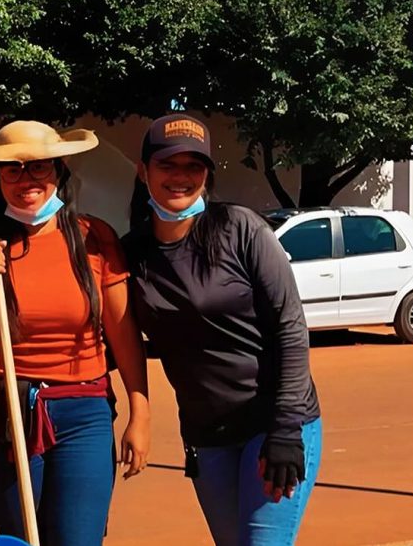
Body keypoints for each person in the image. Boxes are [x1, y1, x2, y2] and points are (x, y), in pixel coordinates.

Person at [120, 114, 322, 545]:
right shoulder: (132, 253)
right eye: (167, 165)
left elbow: (290, 328)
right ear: (143, 171)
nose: (180, 177)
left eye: (193, 166)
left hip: (273, 424)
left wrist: (286, 430)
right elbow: (114, 335)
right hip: (207, 437)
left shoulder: (241, 229)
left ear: (207, 174)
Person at [0, 121, 151, 546]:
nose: (27, 180)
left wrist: (140, 413)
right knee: (23, 538)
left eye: (39, 166)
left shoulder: (96, 239)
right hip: (2, 412)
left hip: (85, 411)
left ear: (59, 171)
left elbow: (122, 332)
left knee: (79, 538)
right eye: (13, 169)